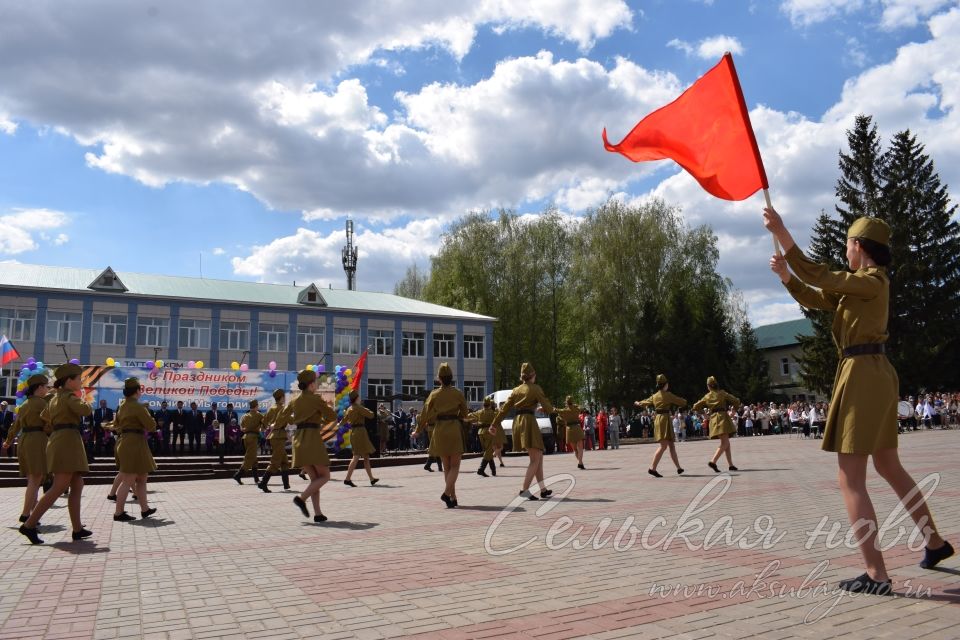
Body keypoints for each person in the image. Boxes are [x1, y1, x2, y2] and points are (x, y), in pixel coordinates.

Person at [765, 207, 954, 593]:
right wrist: (787, 277)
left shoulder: (871, 282)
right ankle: (935, 543)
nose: (844, 253)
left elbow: (820, 275)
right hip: (873, 372)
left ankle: (876, 574)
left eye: (847, 245)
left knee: (850, 476)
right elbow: (822, 298)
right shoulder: (864, 286)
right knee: (889, 466)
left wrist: (783, 232)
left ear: (858, 246)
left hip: (863, 373)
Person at [19, 363, 93, 544]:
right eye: (78, 379)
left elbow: (45, 416)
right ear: (69, 381)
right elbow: (86, 410)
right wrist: (81, 397)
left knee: (77, 484)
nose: (81, 382)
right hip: (67, 442)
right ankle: (29, 525)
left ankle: (77, 529)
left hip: (64, 440)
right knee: (59, 486)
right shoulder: (68, 397)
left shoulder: (54, 398)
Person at [492, 362, 555, 501]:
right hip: (529, 421)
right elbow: (548, 407)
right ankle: (524, 490)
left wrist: (494, 424)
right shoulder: (535, 388)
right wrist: (549, 410)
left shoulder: (516, 390)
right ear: (532, 376)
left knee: (538, 456)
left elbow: (504, 409)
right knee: (535, 459)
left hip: (518, 421)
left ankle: (543, 489)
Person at [415, 363, 469, 507]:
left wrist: (417, 430)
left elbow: (424, 415)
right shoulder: (458, 393)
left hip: (439, 430)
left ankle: (452, 498)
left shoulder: (434, 394)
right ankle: (446, 493)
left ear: (439, 378)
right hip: (454, 429)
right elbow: (464, 414)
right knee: (455, 466)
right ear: (451, 378)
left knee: (446, 466)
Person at [2, 374, 51, 524]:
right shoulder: (42, 404)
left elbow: (15, 426)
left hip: (24, 441)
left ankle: (32, 514)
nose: (47, 390)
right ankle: (25, 514)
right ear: (39, 387)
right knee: (35, 480)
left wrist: (8, 441)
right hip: (37, 440)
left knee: (33, 480)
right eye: (46, 387)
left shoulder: (24, 405)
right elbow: (50, 423)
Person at [290, 368, 337, 522]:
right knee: (325, 476)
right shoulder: (315, 398)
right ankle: (301, 498)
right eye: (315, 381)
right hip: (312, 439)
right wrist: (322, 416)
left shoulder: (295, 400)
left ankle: (318, 514)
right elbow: (331, 416)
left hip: (299, 440)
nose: (317, 383)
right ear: (310, 385)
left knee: (315, 479)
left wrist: (316, 418)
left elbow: (293, 418)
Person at [111, 377, 158, 521]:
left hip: (126, 442)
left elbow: (115, 425)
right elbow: (151, 426)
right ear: (137, 390)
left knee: (142, 477)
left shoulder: (122, 406)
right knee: (129, 479)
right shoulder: (138, 407)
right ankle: (118, 513)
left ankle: (145, 509)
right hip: (134, 443)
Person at [635, 374, 686, 478]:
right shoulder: (668, 395)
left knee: (671, 445)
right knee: (664, 446)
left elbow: (645, 402)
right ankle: (652, 468)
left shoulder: (655, 396)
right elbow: (682, 402)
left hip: (659, 419)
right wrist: (684, 402)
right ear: (666, 385)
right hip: (665, 420)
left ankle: (679, 468)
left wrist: (638, 403)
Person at [693, 376, 741, 473]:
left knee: (726, 442)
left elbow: (695, 406)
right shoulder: (722, 393)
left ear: (708, 386)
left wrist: (704, 414)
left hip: (714, 419)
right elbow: (736, 401)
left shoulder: (707, 396)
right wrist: (734, 410)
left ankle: (730, 465)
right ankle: (713, 461)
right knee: (725, 443)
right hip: (723, 418)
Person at [341, 391, 378, 487]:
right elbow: (371, 415)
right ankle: (347, 479)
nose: (360, 399)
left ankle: (371, 479)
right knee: (356, 456)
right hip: (360, 432)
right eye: (359, 397)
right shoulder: (358, 408)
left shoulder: (349, 409)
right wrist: (366, 409)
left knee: (366, 456)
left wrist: (338, 425)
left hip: (354, 432)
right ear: (356, 398)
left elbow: (343, 421)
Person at [259, 389, 292, 492]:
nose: (284, 399)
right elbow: (291, 420)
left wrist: (263, 428)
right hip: (279, 436)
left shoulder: (272, 408)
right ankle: (263, 483)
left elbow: (264, 421)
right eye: (284, 397)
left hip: (274, 436)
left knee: (284, 461)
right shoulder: (283, 409)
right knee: (275, 461)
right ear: (281, 398)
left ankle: (286, 485)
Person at [234, 400, 264, 485]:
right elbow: (265, 424)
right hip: (253, 437)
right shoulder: (259, 415)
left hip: (245, 437)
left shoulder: (244, 416)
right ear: (256, 406)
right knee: (249, 457)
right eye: (257, 405)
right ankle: (238, 475)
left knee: (253, 458)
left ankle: (256, 479)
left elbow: (241, 428)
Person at [467, 398, 497, 477]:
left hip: (480, 432)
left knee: (487, 451)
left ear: (483, 404)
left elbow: (469, 416)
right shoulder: (493, 413)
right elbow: (499, 418)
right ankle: (481, 469)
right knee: (489, 451)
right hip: (489, 432)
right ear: (490, 405)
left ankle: (493, 470)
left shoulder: (479, 412)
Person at [557, 396, 585, 469]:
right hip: (577, 427)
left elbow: (555, 410)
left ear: (566, 402)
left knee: (575, 449)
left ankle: (580, 462)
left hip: (569, 429)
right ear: (572, 401)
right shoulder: (576, 409)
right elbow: (581, 407)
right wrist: (575, 405)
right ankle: (580, 462)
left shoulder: (564, 410)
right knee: (580, 448)